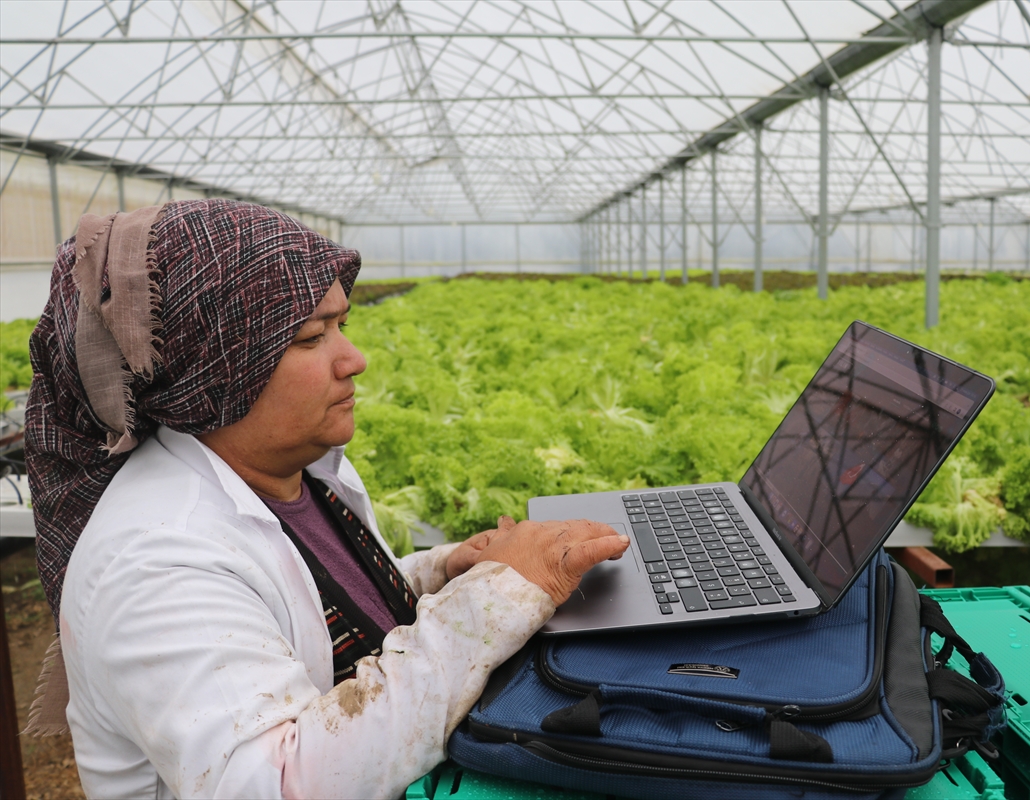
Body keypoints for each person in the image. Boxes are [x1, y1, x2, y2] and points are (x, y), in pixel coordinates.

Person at [24, 199, 629, 799]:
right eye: (313, 336)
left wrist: (440, 575)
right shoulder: (156, 561)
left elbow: (310, 615)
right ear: (216, 371)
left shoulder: (291, 470)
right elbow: (274, 784)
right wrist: (497, 595)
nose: (354, 360)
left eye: (344, 325)